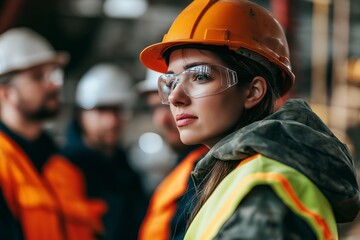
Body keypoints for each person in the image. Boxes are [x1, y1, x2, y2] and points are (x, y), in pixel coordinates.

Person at [139, 0, 360, 239]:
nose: (175, 97)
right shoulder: (232, 176)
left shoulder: (265, 186)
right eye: (171, 81)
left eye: (200, 76)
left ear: (253, 91)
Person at [0, 27, 106, 240]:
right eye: (38, 77)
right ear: (6, 92)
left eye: (54, 74)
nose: (54, 85)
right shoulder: (3, 163)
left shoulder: (65, 169)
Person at [60, 63, 147, 240]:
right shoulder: (63, 169)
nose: (111, 121)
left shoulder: (124, 167)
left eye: (117, 110)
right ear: (81, 114)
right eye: (101, 110)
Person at [136, 68, 208, 240]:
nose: (160, 120)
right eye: (154, 108)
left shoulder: (210, 168)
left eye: (169, 105)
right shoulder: (188, 164)